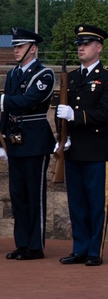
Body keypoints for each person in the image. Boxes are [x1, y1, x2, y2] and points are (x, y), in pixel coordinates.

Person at [0, 27, 56, 261]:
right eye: (14, 46)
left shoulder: (44, 75)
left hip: (35, 140)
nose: (15, 50)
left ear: (33, 48)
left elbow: (26, 101)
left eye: (20, 46)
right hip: (15, 140)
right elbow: (8, 112)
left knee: (34, 194)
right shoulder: (13, 75)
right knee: (18, 195)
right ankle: (22, 244)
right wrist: (2, 140)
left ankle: (35, 245)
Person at [54, 25, 108, 266]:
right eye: (79, 44)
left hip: (96, 150)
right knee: (76, 203)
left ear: (99, 47)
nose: (81, 48)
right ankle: (80, 248)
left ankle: (94, 250)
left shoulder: (105, 78)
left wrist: (75, 115)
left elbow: (103, 113)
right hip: (74, 149)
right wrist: (62, 136)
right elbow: (60, 112)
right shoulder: (73, 77)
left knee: (96, 203)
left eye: (86, 44)